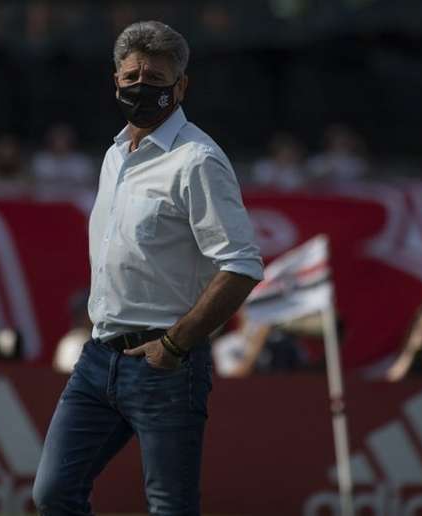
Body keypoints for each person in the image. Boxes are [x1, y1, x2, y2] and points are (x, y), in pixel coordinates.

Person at [32, 21, 263, 516]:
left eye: (156, 78)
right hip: (98, 357)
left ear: (181, 86)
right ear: (115, 80)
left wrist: (177, 344)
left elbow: (242, 264)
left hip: (166, 362)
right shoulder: (115, 153)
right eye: (132, 75)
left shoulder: (198, 160)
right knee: (52, 493)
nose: (142, 86)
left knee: (169, 507)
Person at [31, 123, 96, 196]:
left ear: (71, 141)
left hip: (74, 197)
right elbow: (34, 184)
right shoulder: (42, 160)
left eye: (63, 139)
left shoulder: (81, 161)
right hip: (49, 197)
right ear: (50, 141)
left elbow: (90, 184)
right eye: (57, 139)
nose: (60, 143)